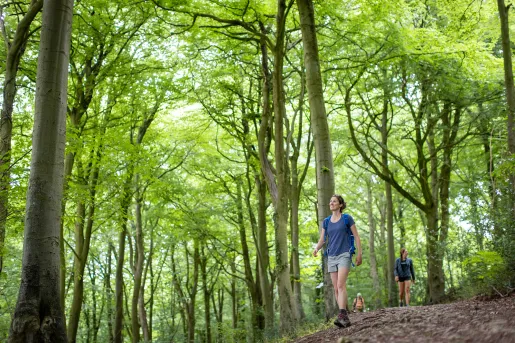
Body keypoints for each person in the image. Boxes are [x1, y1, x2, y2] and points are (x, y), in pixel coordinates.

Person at [313, 194, 362, 328]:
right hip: (331, 256)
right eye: (330, 201)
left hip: (344, 254)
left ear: (340, 205)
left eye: (334, 201)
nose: (331, 203)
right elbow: (322, 239)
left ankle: (341, 314)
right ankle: (344, 316)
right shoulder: (326, 221)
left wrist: (359, 254)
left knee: (341, 285)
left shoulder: (347, 218)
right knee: (336, 288)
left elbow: (357, 237)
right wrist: (316, 249)